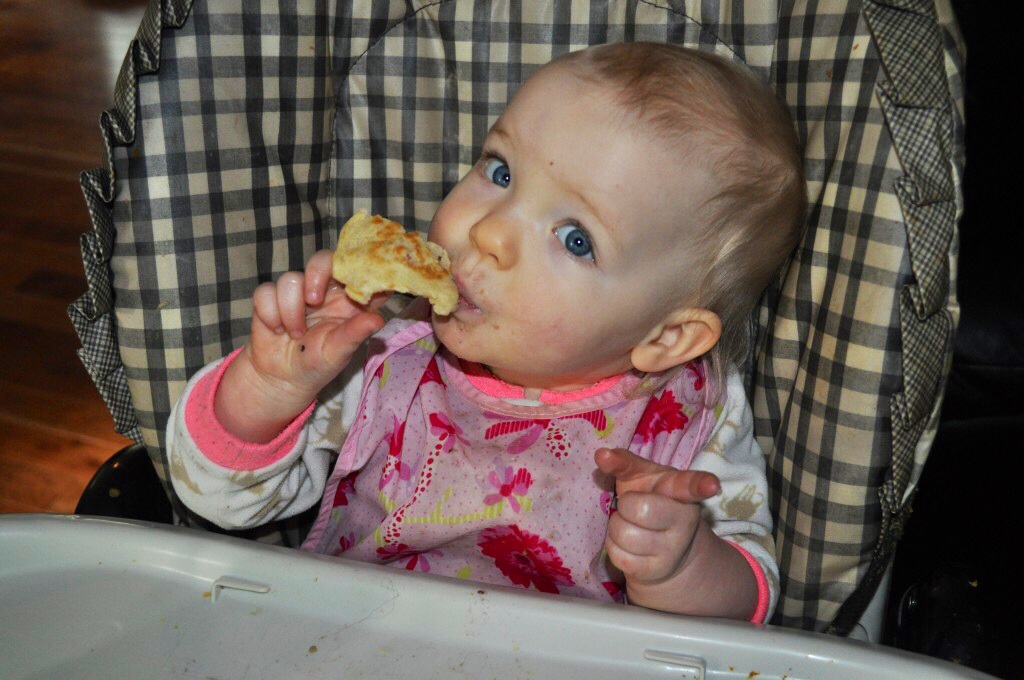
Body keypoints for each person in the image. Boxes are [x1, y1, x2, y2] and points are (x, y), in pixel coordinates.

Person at [168, 42, 805, 623]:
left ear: (667, 339)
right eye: (500, 172)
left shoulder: (687, 416)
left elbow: (747, 609)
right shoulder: (383, 361)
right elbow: (222, 501)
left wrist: (684, 564)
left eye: (575, 238)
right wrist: (271, 387)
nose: (489, 233)